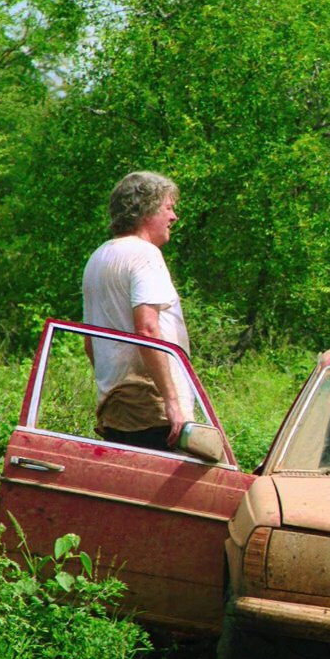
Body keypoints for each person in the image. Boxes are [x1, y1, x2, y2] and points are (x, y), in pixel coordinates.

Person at [81, 171, 194, 453]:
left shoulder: (99, 257)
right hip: (152, 408)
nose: (174, 217)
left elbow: (89, 341)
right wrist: (171, 401)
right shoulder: (145, 254)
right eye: (168, 208)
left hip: (118, 408)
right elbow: (147, 328)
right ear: (147, 210)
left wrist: (111, 387)